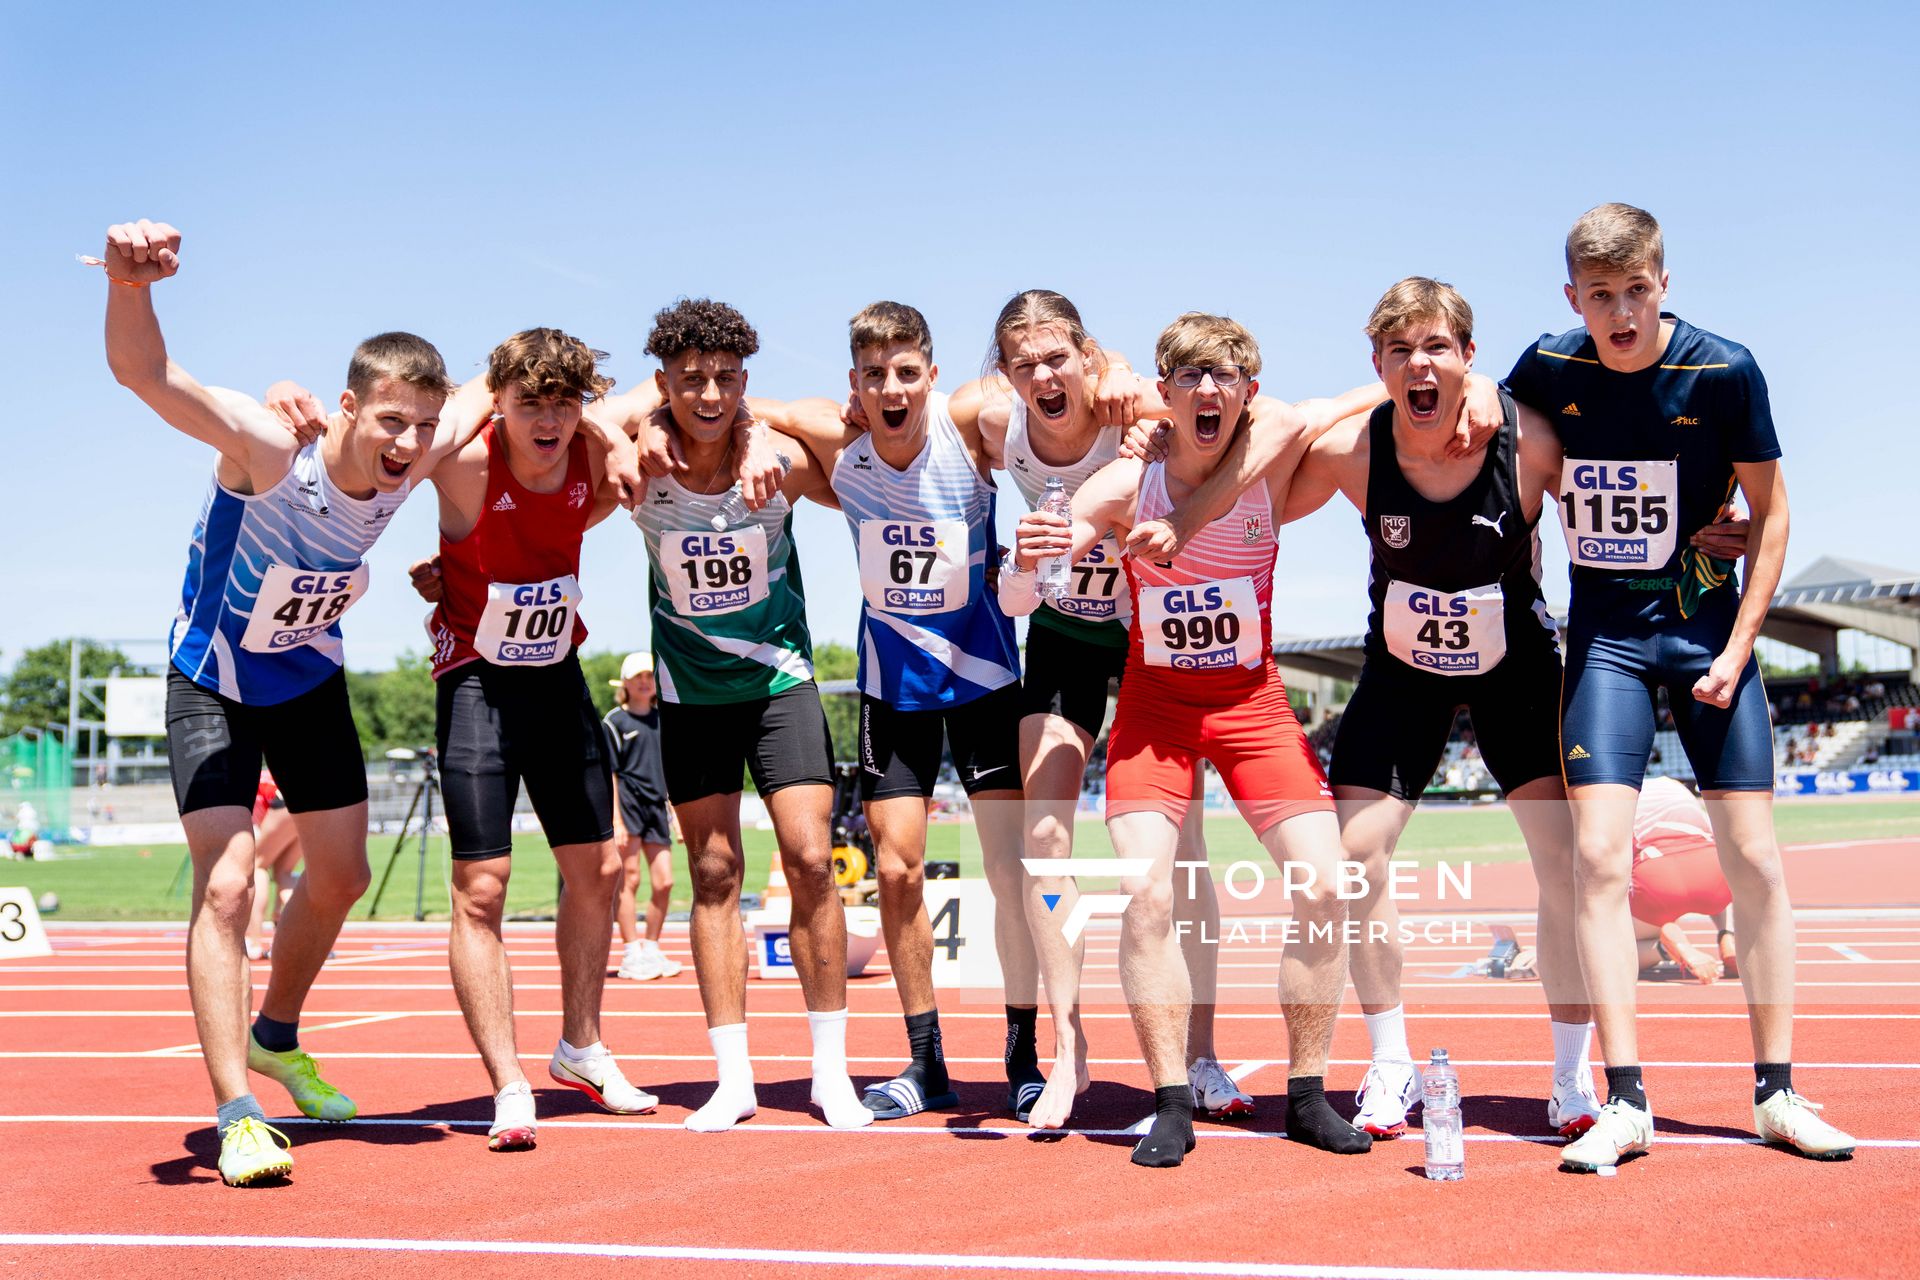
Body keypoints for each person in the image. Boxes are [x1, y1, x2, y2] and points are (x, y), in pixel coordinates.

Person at [962, 290, 1400, 1127]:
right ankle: (1086, 1058)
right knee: (1105, 864)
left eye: (1224, 379)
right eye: (1190, 377)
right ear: (1162, 389)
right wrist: (1026, 564)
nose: (1207, 391)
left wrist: (1476, 386)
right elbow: (1020, 596)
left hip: (1244, 703)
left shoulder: (1261, 453)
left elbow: (1324, 406)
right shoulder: (1118, 468)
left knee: (1304, 878)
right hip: (1129, 680)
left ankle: (1260, 1077)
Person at [100, 218, 454, 1186]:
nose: (409, 445)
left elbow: (516, 397)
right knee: (228, 884)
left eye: (425, 425)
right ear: (347, 405)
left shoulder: (416, 454)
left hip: (305, 677)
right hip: (212, 679)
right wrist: (133, 287)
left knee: (340, 877)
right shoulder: (268, 444)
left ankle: (275, 1032)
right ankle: (237, 1111)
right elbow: (151, 378)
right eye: (390, 422)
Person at [1504, 203, 1854, 1169]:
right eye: (1601, 296)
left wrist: (1742, 648)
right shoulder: (1546, 368)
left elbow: (1774, 514)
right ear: (1573, 297)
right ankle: (1624, 1102)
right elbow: (1505, 462)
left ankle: (1779, 1092)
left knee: (1756, 860)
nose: (1620, 314)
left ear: (1666, 283)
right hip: (1608, 642)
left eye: (1637, 291)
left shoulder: (1725, 369)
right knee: (1601, 864)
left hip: (1708, 635)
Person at [1242, 277, 1605, 1139]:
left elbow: (1612, 525)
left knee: (1567, 867)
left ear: (1469, 358)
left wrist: (1718, 521)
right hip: (1404, 669)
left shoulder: (1532, 444)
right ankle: (1391, 1061)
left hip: (1516, 668)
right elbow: (1254, 491)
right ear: (1377, 364)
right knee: (1357, 861)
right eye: (1400, 350)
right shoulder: (1352, 451)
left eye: (1438, 348)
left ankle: (1569, 1078)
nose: (1419, 364)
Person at [602, 298, 870, 1132]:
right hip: (689, 697)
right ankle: (734, 1079)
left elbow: (857, 440)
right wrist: (632, 428)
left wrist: (762, 429)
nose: (708, 395)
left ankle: (831, 1075)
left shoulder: (780, 461)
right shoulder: (639, 472)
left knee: (810, 858)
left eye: (724, 380)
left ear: (745, 382)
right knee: (713, 875)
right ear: (663, 386)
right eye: (690, 382)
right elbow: (575, 418)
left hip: (779, 687)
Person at [395, 328, 656, 1151]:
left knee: (604, 864)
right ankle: (509, 1083)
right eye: (527, 402)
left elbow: (671, 390)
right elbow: (427, 430)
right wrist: (498, 374)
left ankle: (580, 1045)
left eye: (563, 404)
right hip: (477, 682)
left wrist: (610, 433)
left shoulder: (587, 455)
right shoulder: (468, 464)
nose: (547, 422)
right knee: (484, 886)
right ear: (499, 403)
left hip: (556, 678)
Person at [604, 651, 681, 981]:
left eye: (649, 676)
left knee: (665, 881)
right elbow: (611, 774)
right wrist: (616, 821)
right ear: (625, 682)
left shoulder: (663, 719)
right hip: (628, 804)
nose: (645, 681)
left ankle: (651, 947)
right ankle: (631, 952)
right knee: (630, 879)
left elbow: (670, 771)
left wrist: (676, 814)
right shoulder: (614, 722)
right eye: (638, 676)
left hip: (656, 807)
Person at [1631, 775, 1739, 983]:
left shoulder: (1620, 794)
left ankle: (1663, 948)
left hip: (1656, 875)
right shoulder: (1672, 785)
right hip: (1711, 868)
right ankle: (1728, 935)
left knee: (1607, 951)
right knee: (1725, 876)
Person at [244, 773, 302, 962]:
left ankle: (253, 942)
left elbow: (262, 824)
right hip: (315, 801)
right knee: (283, 872)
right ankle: (302, 940)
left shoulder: (243, 784)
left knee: (259, 865)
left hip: (284, 800)